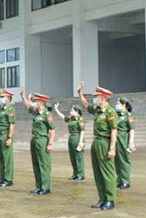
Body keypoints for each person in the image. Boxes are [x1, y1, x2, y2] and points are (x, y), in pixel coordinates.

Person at [77, 81, 118, 210]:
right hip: (96, 142)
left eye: (97, 97)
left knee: (107, 172)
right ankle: (102, 198)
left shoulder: (110, 112)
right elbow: (85, 105)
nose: (95, 99)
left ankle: (110, 199)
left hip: (105, 142)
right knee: (98, 172)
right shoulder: (97, 110)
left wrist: (112, 148)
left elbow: (114, 130)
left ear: (103, 98)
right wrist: (80, 93)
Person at [19, 87, 56, 195]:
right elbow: (28, 105)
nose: (34, 102)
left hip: (42, 140)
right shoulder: (36, 112)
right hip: (34, 139)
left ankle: (45, 187)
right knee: (36, 163)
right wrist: (22, 95)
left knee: (43, 164)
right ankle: (39, 186)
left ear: (40, 101)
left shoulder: (46, 114)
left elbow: (53, 129)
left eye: (36, 101)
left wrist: (50, 143)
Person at [54, 103, 86, 181]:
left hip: (78, 137)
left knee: (78, 157)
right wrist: (56, 109)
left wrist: (80, 142)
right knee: (73, 157)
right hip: (71, 137)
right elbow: (63, 117)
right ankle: (75, 174)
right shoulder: (71, 118)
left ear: (77, 111)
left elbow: (82, 131)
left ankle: (81, 174)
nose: (71, 112)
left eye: (72, 110)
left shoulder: (80, 119)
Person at [115, 97, 136, 189]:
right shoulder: (116, 114)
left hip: (123, 139)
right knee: (117, 161)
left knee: (124, 160)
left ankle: (125, 181)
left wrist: (131, 142)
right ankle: (119, 180)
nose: (116, 105)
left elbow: (132, 129)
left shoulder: (128, 115)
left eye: (118, 103)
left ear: (124, 105)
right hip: (115, 138)